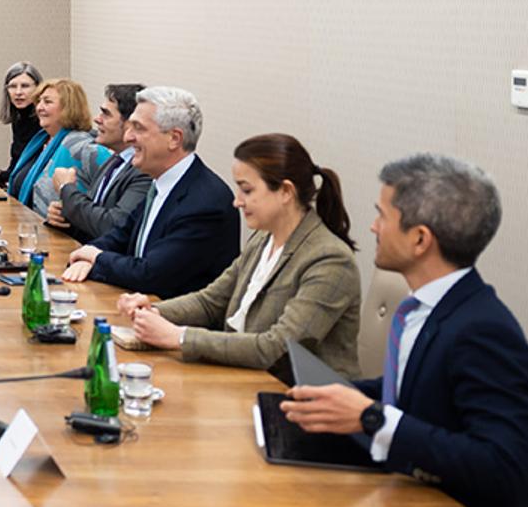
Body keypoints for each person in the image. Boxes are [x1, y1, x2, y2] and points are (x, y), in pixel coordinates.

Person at [280, 154, 528, 507]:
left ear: (420, 239)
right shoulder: (426, 306)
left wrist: (370, 417)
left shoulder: (484, 332)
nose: (372, 226)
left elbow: (502, 466)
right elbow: (416, 387)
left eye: (382, 216)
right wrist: (332, 394)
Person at [115, 134, 361, 376]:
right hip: (242, 378)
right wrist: (154, 311)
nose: (237, 202)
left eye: (247, 190)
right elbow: (211, 302)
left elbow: (277, 347)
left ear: (286, 191)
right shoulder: (264, 239)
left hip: (300, 399)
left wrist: (179, 337)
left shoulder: (329, 260)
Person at [61, 86, 239, 298]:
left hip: (175, 323)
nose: (128, 137)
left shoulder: (205, 202)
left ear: (174, 138)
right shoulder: (160, 184)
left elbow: (152, 274)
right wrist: (85, 255)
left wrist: (96, 259)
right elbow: (119, 236)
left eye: (139, 128)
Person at [46, 83, 151, 242]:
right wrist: (64, 219)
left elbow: (112, 226)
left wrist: (66, 189)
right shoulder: (114, 161)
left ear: (131, 124)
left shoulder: (144, 171)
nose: (97, 119)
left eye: (106, 114)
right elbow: (92, 221)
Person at [3, 78, 105, 216]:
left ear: (69, 108)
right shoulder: (40, 141)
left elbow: (110, 188)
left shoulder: (82, 146)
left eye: (47, 102)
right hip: (26, 225)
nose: (39, 107)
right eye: (39, 101)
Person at [0, 61, 43, 188]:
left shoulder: (42, 122)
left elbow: (28, 169)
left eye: (25, 86)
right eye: (12, 86)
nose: (18, 92)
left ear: (38, 88)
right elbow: (16, 163)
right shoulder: (19, 119)